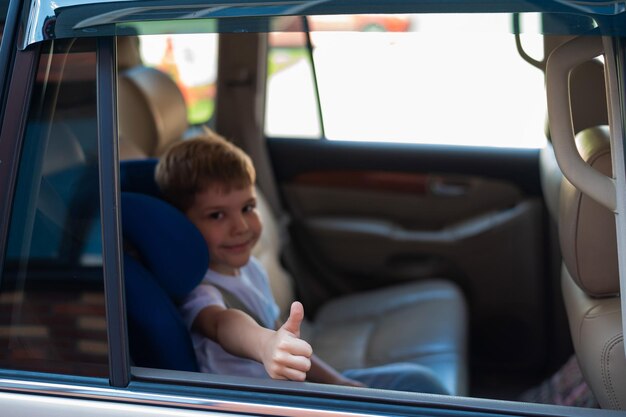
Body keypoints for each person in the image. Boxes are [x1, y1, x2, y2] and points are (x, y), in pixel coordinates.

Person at [155, 128, 448, 393]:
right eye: (217, 215)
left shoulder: (249, 270)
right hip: (265, 403)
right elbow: (225, 325)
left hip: (293, 390)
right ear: (181, 225)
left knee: (419, 382)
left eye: (247, 207)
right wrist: (266, 345)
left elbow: (276, 329)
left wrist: (338, 382)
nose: (241, 226)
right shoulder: (201, 292)